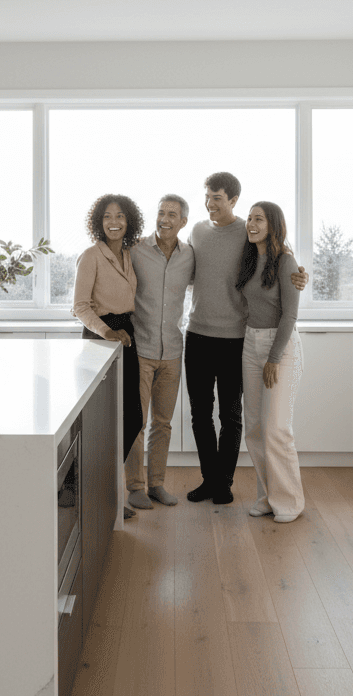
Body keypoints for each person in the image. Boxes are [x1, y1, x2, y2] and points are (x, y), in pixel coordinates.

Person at [183, 172, 307, 505]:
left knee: (232, 416)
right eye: (207, 196)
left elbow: (279, 253)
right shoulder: (196, 231)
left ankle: (224, 482)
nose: (210, 203)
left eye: (217, 198)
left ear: (233, 199)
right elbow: (190, 272)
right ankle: (210, 479)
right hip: (196, 334)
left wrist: (299, 274)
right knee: (200, 414)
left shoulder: (247, 232)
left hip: (236, 338)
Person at [72, 194, 145, 519]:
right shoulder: (91, 256)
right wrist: (107, 333)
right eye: (107, 217)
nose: (113, 222)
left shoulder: (128, 255)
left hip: (125, 334)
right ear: (98, 223)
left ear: (129, 221)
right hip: (102, 338)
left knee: (131, 417)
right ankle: (96, 494)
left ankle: (87, 487)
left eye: (120, 216)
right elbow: (80, 306)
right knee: (102, 421)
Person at [237, 202, 305, 523]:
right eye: (250, 218)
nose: (251, 224)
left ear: (273, 224)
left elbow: (290, 313)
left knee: (276, 427)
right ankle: (269, 495)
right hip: (251, 343)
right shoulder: (249, 258)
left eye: (258, 219)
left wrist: (273, 358)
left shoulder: (286, 261)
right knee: (253, 427)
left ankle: (290, 501)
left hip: (279, 346)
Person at [126, 194, 195, 511]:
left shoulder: (190, 256)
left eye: (172, 215)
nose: (165, 219)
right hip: (140, 348)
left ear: (183, 222)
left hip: (172, 351)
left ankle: (156, 484)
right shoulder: (136, 250)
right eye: (161, 213)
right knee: (137, 422)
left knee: (162, 423)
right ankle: (135, 487)